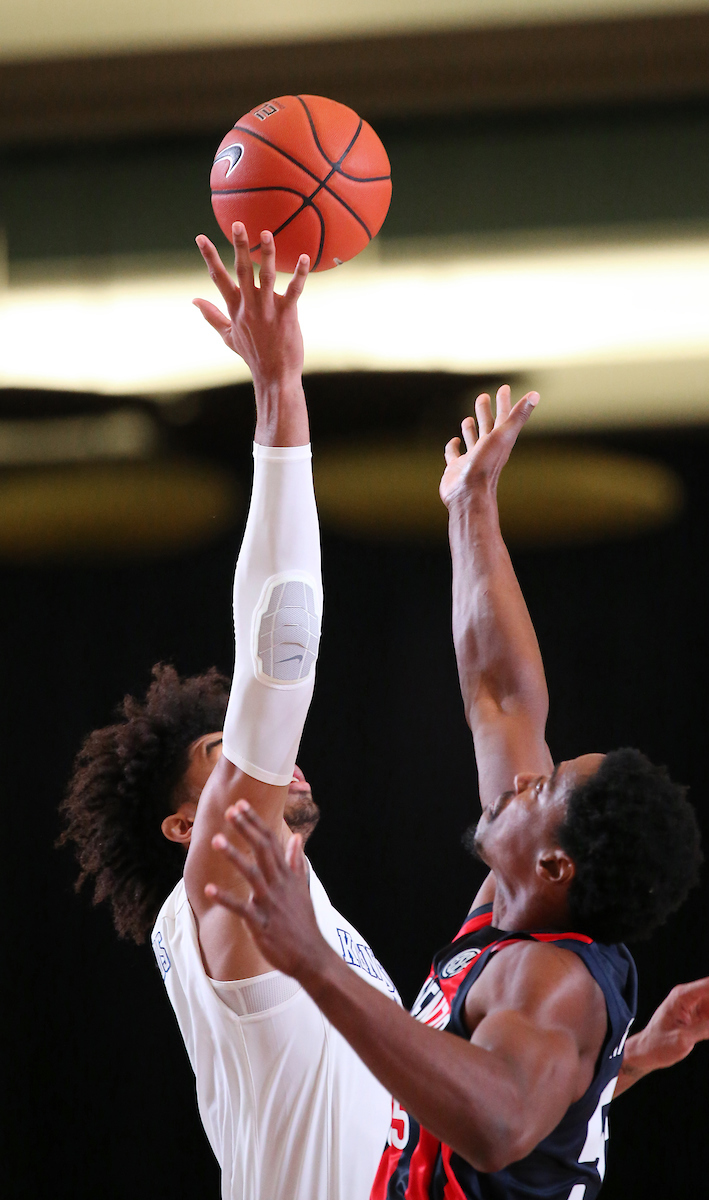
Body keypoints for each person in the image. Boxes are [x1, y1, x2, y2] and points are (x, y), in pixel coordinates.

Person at [205, 386, 709, 1200]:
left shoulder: (549, 981)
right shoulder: (531, 909)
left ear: (558, 865)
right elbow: (502, 696)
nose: (527, 777)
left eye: (546, 788)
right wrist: (472, 508)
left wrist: (312, 958)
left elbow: (500, 1129)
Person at [58, 222, 397, 1200]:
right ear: (183, 825)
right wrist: (279, 398)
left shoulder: (278, 913)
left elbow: (423, 1103)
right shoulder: (219, 882)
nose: (268, 759)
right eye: (223, 750)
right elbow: (281, 644)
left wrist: (609, 1065)